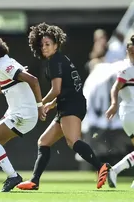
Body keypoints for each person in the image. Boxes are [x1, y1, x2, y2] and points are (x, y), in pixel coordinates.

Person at [17, 23, 110, 191]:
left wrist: (40, 104)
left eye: (48, 44)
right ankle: (34, 181)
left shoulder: (55, 62)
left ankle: (101, 166)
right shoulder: (59, 59)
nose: (44, 48)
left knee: (73, 141)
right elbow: (64, 90)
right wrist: (50, 105)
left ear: (56, 45)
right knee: (44, 142)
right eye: (42, 45)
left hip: (71, 105)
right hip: (68, 104)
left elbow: (56, 90)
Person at [0, 33, 45, 192]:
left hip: (22, 114)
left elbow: (33, 80)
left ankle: (13, 176)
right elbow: (1, 86)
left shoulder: (5, 65)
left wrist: (40, 106)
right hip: (19, 113)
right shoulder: (3, 65)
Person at [106, 35, 134, 189]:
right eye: (131, 52)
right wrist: (114, 103)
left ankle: (115, 171)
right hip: (130, 113)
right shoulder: (126, 69)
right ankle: (115, 170)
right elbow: (115, 87)